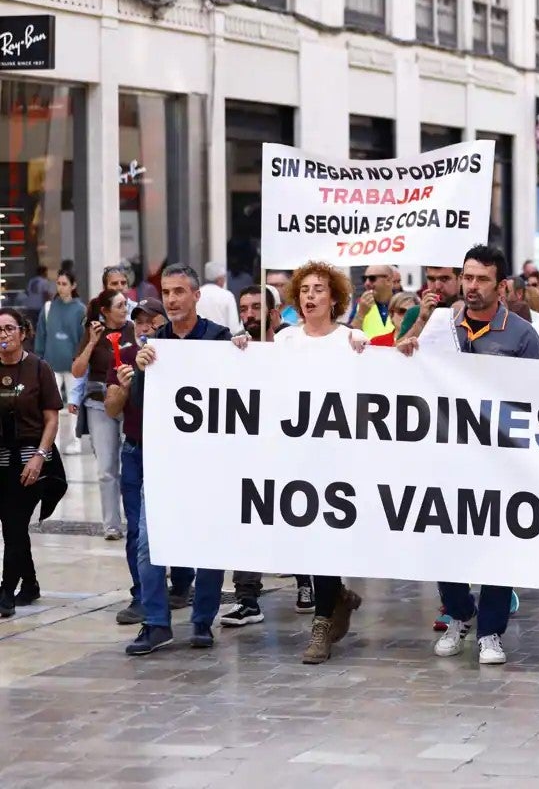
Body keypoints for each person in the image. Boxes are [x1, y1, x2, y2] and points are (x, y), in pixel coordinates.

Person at [398, 245, 539, 666]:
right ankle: (460, 614)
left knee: (498, 547)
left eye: (482, 279)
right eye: (467, 277)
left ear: (501, 286)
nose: (472, 286)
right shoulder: (443, 326)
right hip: (447, 458)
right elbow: (407, 376)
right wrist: (415, 337)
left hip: (499, 461)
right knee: (446, 544)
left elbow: (537, 398)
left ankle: (491, 632)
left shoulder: (521, 334)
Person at [234, 263, 368, 661]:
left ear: (335, 298)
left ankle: (322, 622)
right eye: (305, 290)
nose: (310, 296)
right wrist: (244, 353)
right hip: (293, 455)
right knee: (300, 538)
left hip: (335, 456)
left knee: (323, 539)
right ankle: (337, 595)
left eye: (319, 290)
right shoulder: (286, 339)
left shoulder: (350, 338)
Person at [123, 265, 235, 655]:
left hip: (209, 463)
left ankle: (202, 620)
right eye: (166, 292)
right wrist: (141, 371)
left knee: (208, 542)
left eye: (179, 292)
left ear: (195, 296)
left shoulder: (220, 339)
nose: (171, 299)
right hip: (164, 463)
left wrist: (243, 357)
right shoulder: (157, 343)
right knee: (148, 545)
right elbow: (139, 405)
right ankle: (156, 623)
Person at [220, 286, 316, 626]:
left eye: (257, 308)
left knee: (297, 515)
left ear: (275, 314)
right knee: (247, 521)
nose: (249, 314)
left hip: (292, 448)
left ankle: (307, 580)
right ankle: (247, 598)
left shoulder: (294, 345)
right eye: (244, 308)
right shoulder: (235, 351)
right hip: (251, 452)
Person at [104, 297, 193, 627]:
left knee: (178, 519)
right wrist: (123, 389)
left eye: (151, 321)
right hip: (137, 450)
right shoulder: (125, 357)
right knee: (137, 529)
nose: (143, 327)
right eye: (138, 321)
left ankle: (183, 583)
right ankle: (142, 594)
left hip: (173, 452)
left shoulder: (179, 357)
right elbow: (111, 409)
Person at [0, 309, 64, 617]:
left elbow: (52, 419)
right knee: (12, 527)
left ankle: (6, 591)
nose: (3, 335)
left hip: (29, 459)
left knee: (14, 524)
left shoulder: (39, 368)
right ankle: (31, 583)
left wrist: (40, 456)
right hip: (0, 456)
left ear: (22, 333)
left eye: (9, 328)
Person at [71, 288, 135, 540]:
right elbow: (77, 371)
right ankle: (111, 524)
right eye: (119, 306)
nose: (124, 310)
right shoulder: (92, 332)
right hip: (99, 403)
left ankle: (134, 518)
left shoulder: (133, 329)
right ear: (106, 311)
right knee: (107, 467)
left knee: (131, 463)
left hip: (128, 402)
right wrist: (92, 343)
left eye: (125, 304)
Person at [33, 268, 85, 454]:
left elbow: (82, 338)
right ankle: (50, 442)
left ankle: (75, 441)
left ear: (73, 286)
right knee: (50, 405)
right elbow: (41, 335)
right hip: (50, 364)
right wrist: (38, 361)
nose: (61, 287)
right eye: (59, 283)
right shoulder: (48, 308)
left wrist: (81, 362)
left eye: (65, 284)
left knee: (73, 404)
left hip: (73, 365)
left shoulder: (80, 310)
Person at [398, 266, 462, 337]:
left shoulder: (470, 311)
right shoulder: (415, 312)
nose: (437, 286)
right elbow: (399, 346)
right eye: (431, 279)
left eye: (444, 279)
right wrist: (421, 320)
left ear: (460, 279)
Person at [349, 264, 396, 340]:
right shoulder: (360, 305)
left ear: (388, 280)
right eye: (364, 279)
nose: (366, 283)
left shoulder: (403, 303)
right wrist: (360, 314)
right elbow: (350, 337)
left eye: (372, 278)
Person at [196, 262, 240, 332]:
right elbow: (234, 327)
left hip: (197, 340)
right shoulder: (227, 295)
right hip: (220, 340)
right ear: (219, 279)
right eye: (224, 277)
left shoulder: (196, 294)